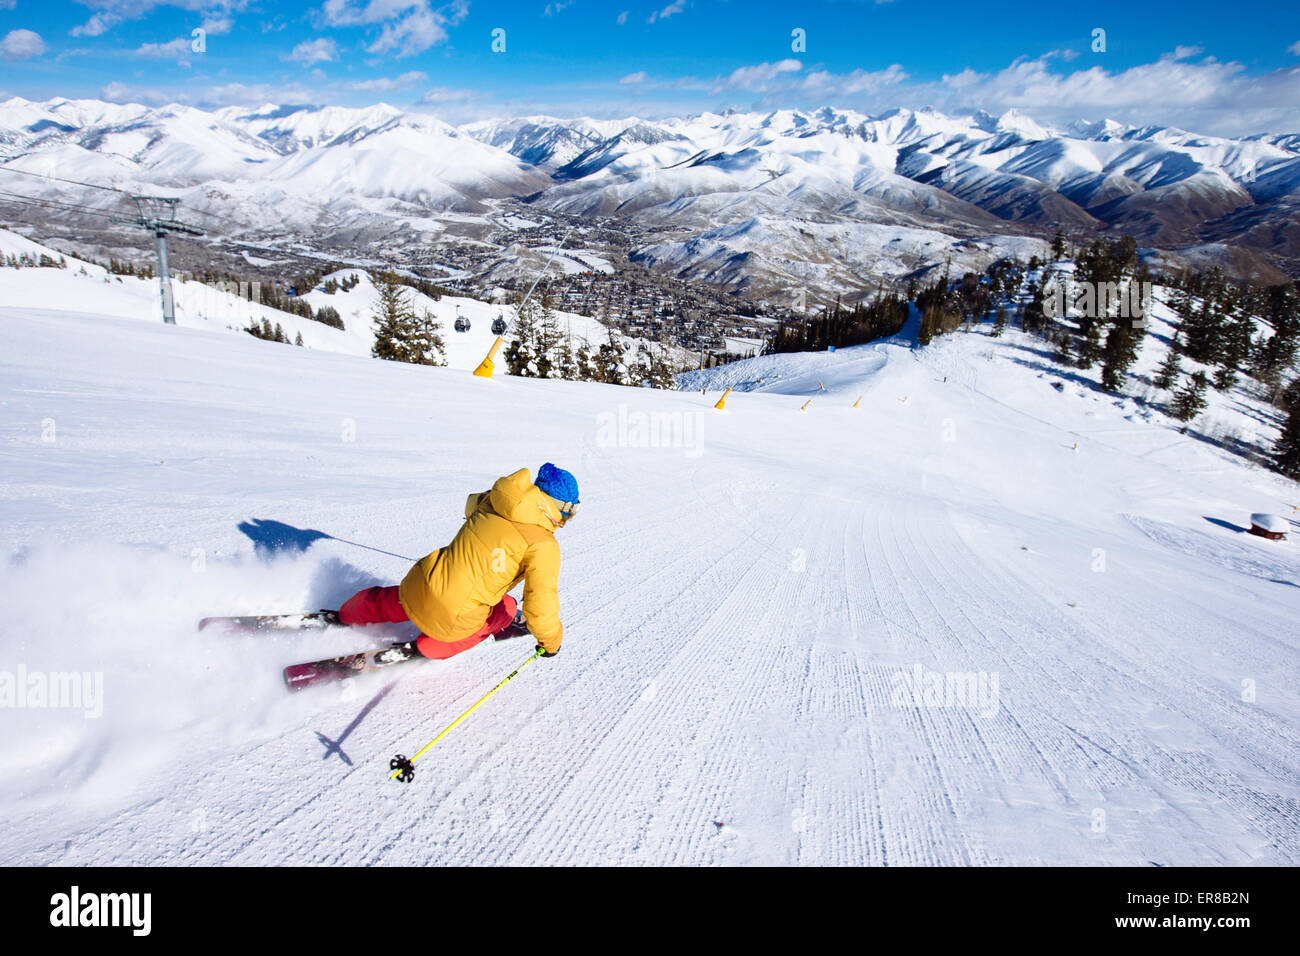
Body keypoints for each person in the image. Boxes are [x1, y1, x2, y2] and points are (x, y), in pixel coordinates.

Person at [337, 464, 577, 661]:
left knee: (400, 599)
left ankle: (346, 614)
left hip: (422, 580)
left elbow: (471, 504)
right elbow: (540, 604)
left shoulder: (495, 501)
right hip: (454, 616)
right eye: (571, 511)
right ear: (560, 508)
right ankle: (423, 648)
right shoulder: (543, 545)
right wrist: (551, 642)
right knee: (506, 610)